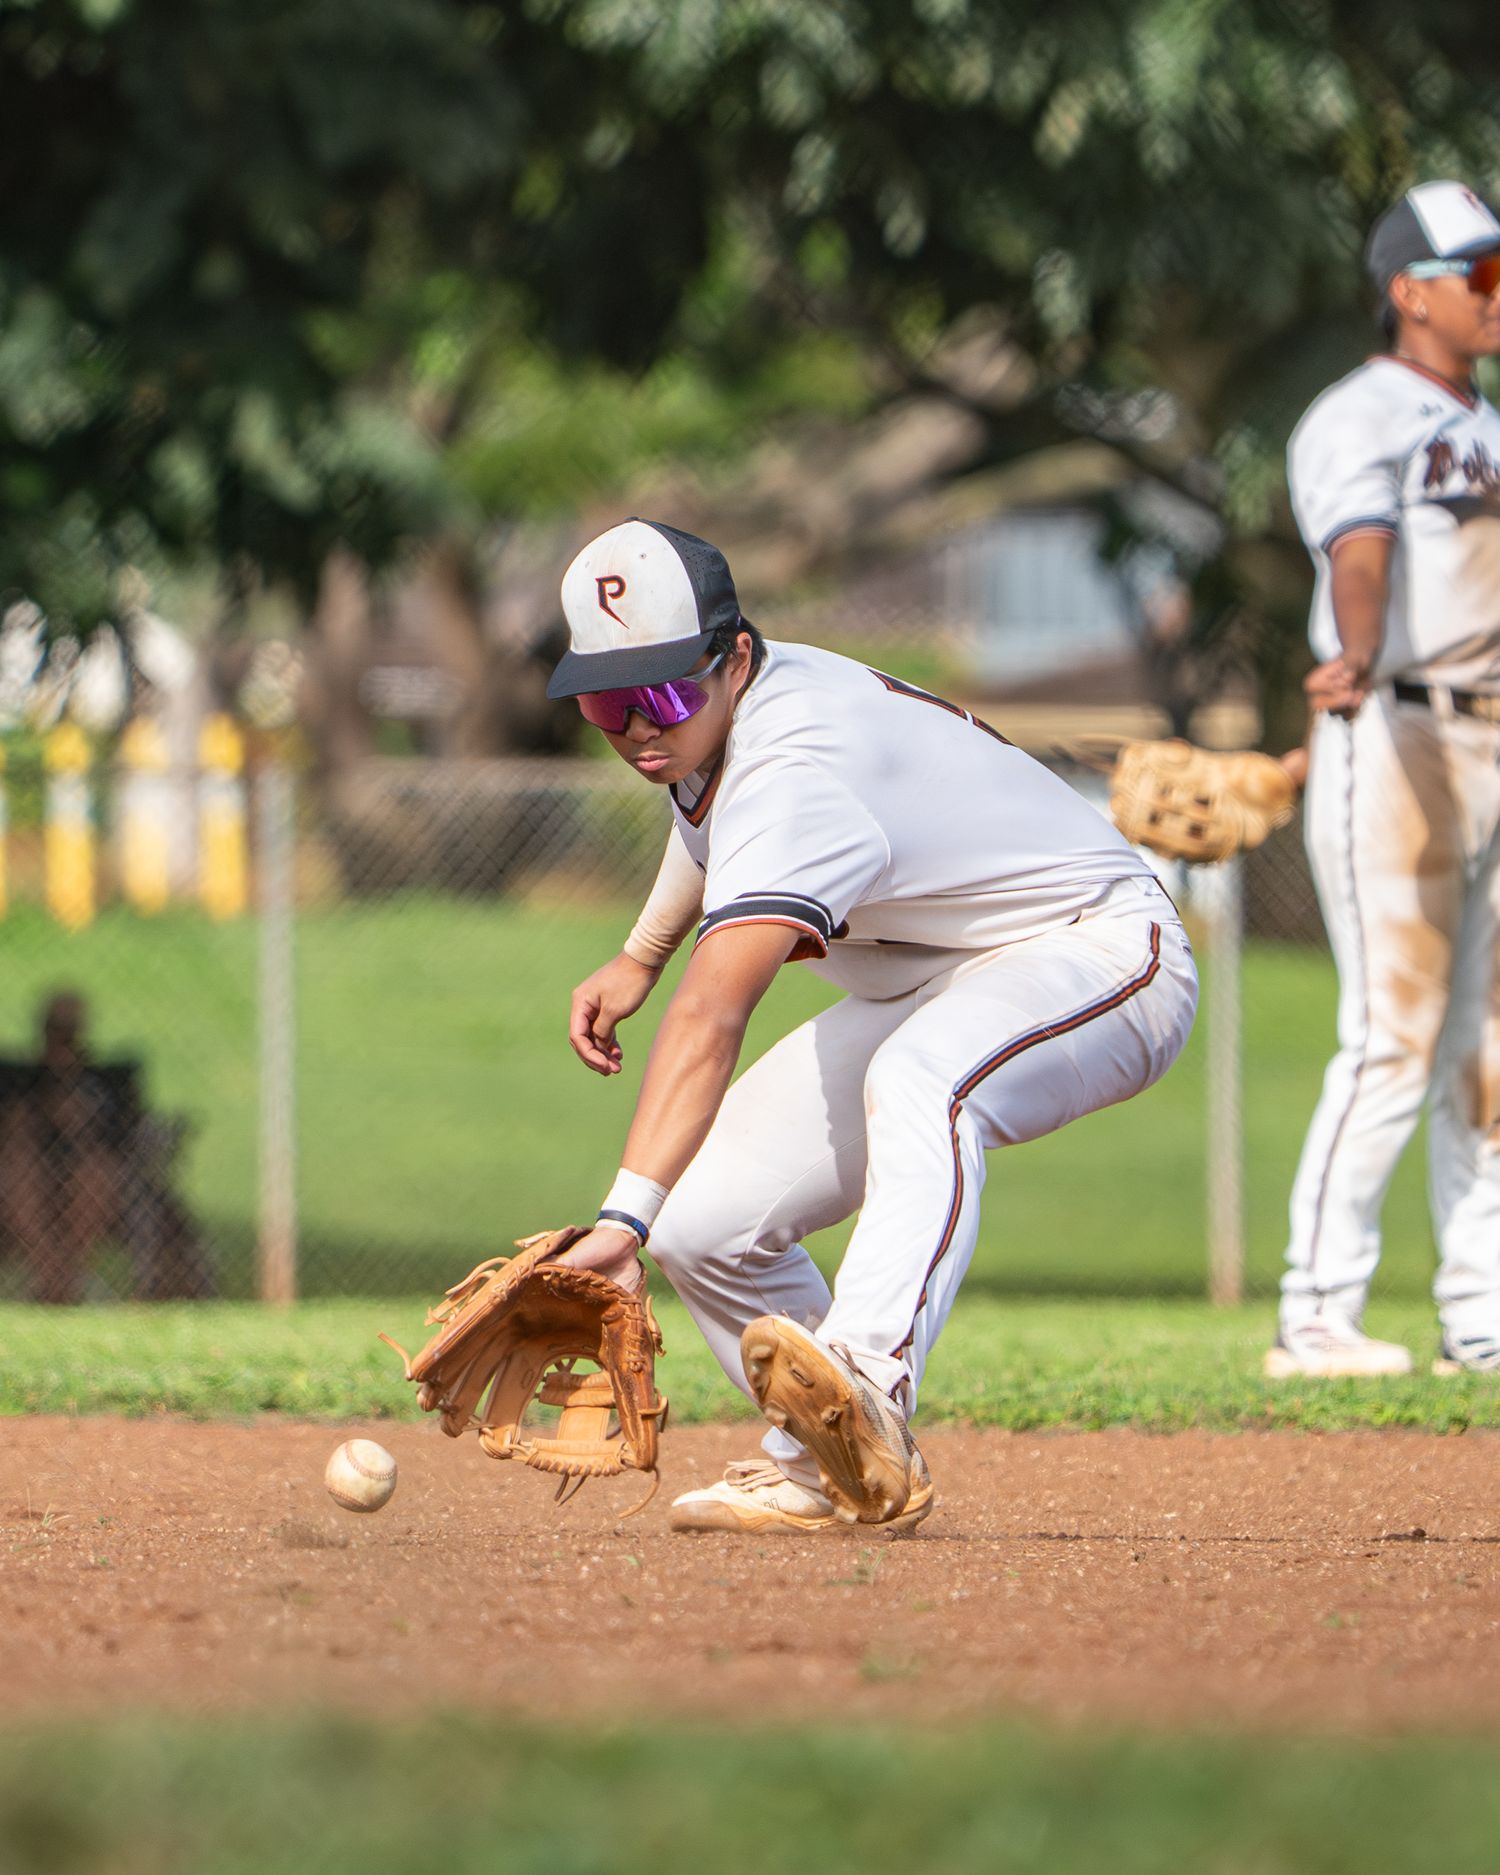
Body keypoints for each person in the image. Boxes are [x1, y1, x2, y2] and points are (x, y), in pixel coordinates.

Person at [546, 517, 1198, 1532]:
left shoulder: (799, 762)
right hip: (934, 976)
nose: (638, 726)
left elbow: (716, 1011)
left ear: (737, 658)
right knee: (706, 1224)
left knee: (923, 1079)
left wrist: (618, 1219)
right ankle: (833, 1462)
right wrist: (639, 952)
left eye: (665, 690)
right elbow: (709, 816)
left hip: (1100, 950)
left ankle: (868, 1383)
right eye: (606, 701)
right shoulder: (715, 730)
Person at [1270, 179, 1500, 1377]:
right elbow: (1357, 545)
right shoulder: (1359, 414)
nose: (1497, 292)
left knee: (1491, 1047)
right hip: (1396, 731)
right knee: (1393, 1037)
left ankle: (1481, 1313)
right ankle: (1317, 1308)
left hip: (1494, 742)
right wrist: (1351, 651)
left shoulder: (1494, 424)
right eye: (1484, 274)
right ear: (1411, 293)